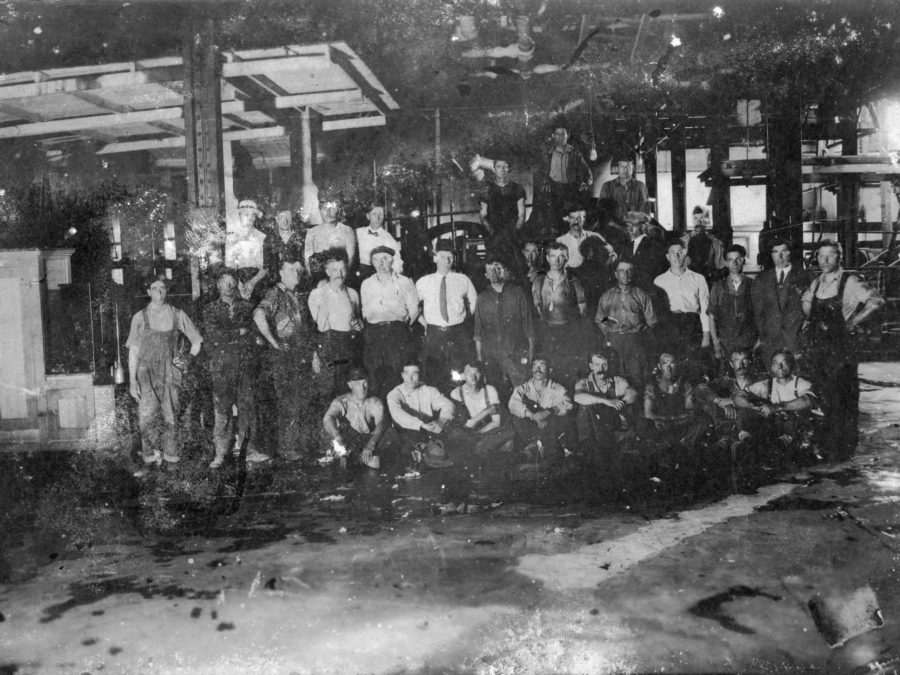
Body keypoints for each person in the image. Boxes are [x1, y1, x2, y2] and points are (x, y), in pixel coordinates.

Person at [801, 240, 885, 459]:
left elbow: (876, 301)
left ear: (839, 257)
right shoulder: (817, 282)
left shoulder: (850, 281)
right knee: (823, 398)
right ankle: (826, 447)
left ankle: (843, 449)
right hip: (819, 350)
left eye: (830, 256)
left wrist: (852, 322)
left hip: (842, 350)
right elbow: (806, 305)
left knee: (842, 399)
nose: (825, 260)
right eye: (821, 256)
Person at [127, 275, 203, 467]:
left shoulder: (177, 314)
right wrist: (132, 381)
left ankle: (171, 457)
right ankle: (150, 457)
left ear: (167, 291)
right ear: (148, 292)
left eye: (163, 288)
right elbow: (134, 351)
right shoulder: (139, 317)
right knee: (146, 417)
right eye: (155, 288)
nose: (159, 293)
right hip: (146, 374)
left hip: (170, 372)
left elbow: (197, 341)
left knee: (171, 415)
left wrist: (187, 359)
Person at [254, 259, 320, 461]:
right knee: (288, 402)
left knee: (300, 400)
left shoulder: (297, 295)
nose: (297, 274)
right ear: (281, 272)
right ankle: (287, 448)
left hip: (300, 354)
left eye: (299, 270)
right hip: (285, 356)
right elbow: (258, 314)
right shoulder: (276, 293)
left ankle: (297, 445)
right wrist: (274, 342)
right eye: (292, 270)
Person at [203, 268, 269, 468]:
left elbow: (255, 335)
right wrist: (238, 332)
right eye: (225, 283)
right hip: (222, 367)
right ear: (218, 286)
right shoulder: (210, 309)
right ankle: (220, 453)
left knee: (247, 408)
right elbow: (214, 336)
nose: (230, 287)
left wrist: (251, 338)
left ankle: (249, 450)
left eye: (233, 283)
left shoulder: (247, 307)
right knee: (222, 411)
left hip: (244, 364)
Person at [733, 350, 817, 463]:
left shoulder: (801, 383)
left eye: (784, 363)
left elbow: (806, 401)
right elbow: (737, 396)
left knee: (793, 418)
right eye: (776, 363)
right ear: (772, 367)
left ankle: (779, 449)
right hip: (777, 426)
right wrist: (752, 406)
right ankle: (749, 443)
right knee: (744, 412)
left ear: (792, 365)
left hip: (799, 428)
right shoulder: (767, 384)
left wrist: (777, 407)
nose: (780, 367)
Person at [360, 244, 420, 397]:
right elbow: (364, 311)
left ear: (392, 260)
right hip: (374, 334)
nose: (381, 263)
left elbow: (414, 309)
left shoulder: (405, 282)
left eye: (385, 258)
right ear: (372, 262)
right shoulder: (366, 284)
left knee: (397, 371)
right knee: (375, 373)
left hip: (397, 332)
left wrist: (403, 327)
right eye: (376, 259)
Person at [415, 242, 478, 388]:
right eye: (442, 256)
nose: (447, 260)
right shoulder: (424, 282)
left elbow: (474, 303)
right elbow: (414, 306)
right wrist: (425, 324)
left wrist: (463, 321)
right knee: (433, 373)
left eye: (450, 257)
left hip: (458, 332)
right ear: (435, 258)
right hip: (434, 332)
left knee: (458, 373)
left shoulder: (463, 280)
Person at [473, 254, 535, 400]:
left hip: (516, 351)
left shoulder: (518, 293)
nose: (494, 273)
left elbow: (529, 324)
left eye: (498, 269)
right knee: (497, 393)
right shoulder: (482, 298)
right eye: (490, 270)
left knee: (523, 392)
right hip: (493, 354)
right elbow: (478, 331)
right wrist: (480, 358)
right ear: (485, 275)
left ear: (505, 271)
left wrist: (531, 350)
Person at [574, 351, 638, 478]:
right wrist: (606, 401)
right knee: (586, 407)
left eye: (605, 365)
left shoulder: (616, 381)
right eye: (597, 365)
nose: (601, 369)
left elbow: (633, 394)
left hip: (613, 431)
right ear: (591, 366)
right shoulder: (584, 383)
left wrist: (619, 404)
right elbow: (578, 397)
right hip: (593, 436)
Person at [308, 248, 363, 396]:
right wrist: (314, 356)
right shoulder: (317, 294)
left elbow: (357, 322)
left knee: (347, 393)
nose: (339, 274)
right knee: (328, 394)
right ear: (327, 272)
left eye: (342, 269)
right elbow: (311, 329)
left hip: (348, 348)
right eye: (334, 270)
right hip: (327, 349)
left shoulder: (353, 294)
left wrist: (359, 325)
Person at [322, 367, 399, 470]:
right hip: (347, 440)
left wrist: (371, 444)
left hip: (367, 439)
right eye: (357, 384)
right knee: (327, 436)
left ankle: (362, 460)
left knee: (390, 434)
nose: (362, 388)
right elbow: (328, 418)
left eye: (365, 383)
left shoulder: (374, 402)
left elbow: (381, 423)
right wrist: (337, 437)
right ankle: (347, 458)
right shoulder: (341, 401)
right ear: (350, 385)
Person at [531, 241, 587, 384]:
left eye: (561, 256)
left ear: (566, 258)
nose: (556, 260)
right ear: (547, 258)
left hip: (568, 332)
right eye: (553, 256)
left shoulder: (574, 281)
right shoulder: (539, 281)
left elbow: (582, 310)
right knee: (549, 370)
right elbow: (538, 308)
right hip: (547, 333)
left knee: (568, 370)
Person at [596, 259, 657, 386]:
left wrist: (638, 337)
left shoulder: (641, 295)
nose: (626, 274)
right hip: (613, 341)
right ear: (616, 274)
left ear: (634, 273)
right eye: (622, 271)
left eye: (629, 271)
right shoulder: (606, 296)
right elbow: (599, 320)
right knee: (612, 376)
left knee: (636, 377)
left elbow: (651, 321)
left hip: (635, 341)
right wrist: (610, 334)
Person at [751, 238, 810, 367]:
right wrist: (763, 337)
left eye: (784, 251)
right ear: (771, 255)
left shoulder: (806, 277)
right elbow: (757, 313)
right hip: (771, 343)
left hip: (796, 342)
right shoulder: (761, 279)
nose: (780, 256)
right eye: (775, 252)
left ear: (790, 253)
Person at [386, 361, 457, 465]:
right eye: (407, 373)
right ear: (402, 375)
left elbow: (449, 405)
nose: (410, 378)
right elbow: (398, 414)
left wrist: (442, 420)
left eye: (415, 373)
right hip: (404, 435)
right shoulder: (394, 394)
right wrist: (421, 425)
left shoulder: (428, 390)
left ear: (420, 375)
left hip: (427, 433)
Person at [508, 357, 575, 460]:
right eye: (535, 365)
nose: (537, 368)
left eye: (542, 365)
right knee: (516, 418)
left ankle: (542, 447)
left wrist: (548, 412)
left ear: (550, 370)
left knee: (564, 419)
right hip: (530, 429)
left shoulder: (558, 388)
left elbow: (567, 403)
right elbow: (513, 404)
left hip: (550, 427)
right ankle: (535, 446)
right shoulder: (523, 389)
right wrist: (533, 416)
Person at [653, 239, 711, 357]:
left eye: (680, 252)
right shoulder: (659, 281)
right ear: (668, 257)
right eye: (673, 252)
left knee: (693, 361)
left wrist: (706, 336)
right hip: (671, 325)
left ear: (686, 254)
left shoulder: (698, 278)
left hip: (693, 324)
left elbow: (705, 309)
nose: (677, 256)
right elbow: (657, 311)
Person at [640, 353, 706, 452]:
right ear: (659, 366)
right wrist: (668, 419)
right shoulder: (652, 386)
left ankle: (683, 448)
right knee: (644, 425)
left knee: (701, 423)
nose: (669, 368)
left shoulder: (684, 385)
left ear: (677, 365)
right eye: (665, 364)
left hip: (681, 427)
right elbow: (648, 414)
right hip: (661, 428)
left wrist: (674, 420)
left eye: (672, 364)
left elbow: (690, 412)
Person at [449, 360, 516, 455]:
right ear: (463, 376)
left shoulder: (490, 390)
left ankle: (481, 447)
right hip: (466, 433)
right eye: (469, 373)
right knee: (455, 434)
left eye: (476, 372)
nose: (473, 377)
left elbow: (496, 423)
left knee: (509, 430)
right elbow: (465, 426)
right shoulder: (456, 394)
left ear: (481, 374)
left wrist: (479, 434)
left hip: (486, 431)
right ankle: (483, 447)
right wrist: (485, 412)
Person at [692, 347, 756, 445]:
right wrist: (720, 401)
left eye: (745, 360)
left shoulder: (760, 381)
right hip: (727, 427)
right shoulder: (725, 383)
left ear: (751, 362)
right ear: (731, 364)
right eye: (737, 360)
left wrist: (732, 402)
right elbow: (700, 389)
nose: (741, 364)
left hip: (751, 428)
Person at [536, 125, 592, 233]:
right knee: (552, 213)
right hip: (554, 187)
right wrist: (544, 182)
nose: (560, 137)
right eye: (557, 134)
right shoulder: (547, 153)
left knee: (576, 212)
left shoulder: (575, 153)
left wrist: (586, 182)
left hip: (571, 187)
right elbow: (541, 170)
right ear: (553, 136)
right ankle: (553, 231)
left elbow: (586, 170)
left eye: (563, 134)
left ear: (568, 135)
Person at [708, 244, 757, 363]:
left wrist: (758, 342)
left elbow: (761, 315)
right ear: (726, 263)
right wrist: (716, 343)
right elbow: (711, 317)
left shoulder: (754, 285)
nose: (734, 264)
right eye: (730, 260)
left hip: (748, 342)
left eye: (738, 259)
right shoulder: (718, 287)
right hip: (725, 343)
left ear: (743, 260)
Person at [479, 158, 526, 255]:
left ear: (509, 169)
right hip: (493, 231)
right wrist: (492, 232)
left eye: (505, 167)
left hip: (512, 231)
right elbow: (483, 216)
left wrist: (515, 232)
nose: (502, 170)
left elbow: (522, 215)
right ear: (494, 169)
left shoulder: (517, 188)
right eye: (499, 167)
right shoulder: (486, 189)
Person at [224, 199, 268, 301]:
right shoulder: (231, 239)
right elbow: (230, 267)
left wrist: (253, 282)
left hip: (258, 279)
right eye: (246, 214)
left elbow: (266, 267)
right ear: (239, 216)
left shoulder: (262, 237)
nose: (250, 218)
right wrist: (240, 288)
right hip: (238, 281)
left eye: (253, 215)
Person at [555, 203, 616, 270]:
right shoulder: (560, 241)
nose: (576, 221)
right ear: (568, 219)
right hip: (570, 276)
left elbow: (613, 254)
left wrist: (603, 267)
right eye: (572, 218)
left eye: (579, 218)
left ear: (583, 219)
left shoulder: (594, 236)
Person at [304, 200, 357, 275]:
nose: (329, 212)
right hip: (319, 277)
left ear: (338, 210)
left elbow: (350, 258)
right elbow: (307, 260)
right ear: (320, 211)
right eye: (325, 208)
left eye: (333, 208)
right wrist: (315, 279)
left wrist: (341, 277)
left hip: (341, 275)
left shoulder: (347, 230)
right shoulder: (312, 232)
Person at [356, 201, 402, 280]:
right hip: (358, 274)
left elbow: (397, 262)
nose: (378, 218)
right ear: (368, 216)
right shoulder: (358, 232)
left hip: (378, 275)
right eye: (374, 214)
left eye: (380, 214)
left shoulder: (388, 238)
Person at [622, 211, 666, 290]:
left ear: (642, 227)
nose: (629, 229)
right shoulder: (628, 246)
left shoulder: (653, 246)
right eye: (628, 226)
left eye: (633, 226)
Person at [263, 204, 305, 285]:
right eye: (282, 217)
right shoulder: (270, 239)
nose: (285, 221)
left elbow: (304, 264)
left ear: (292, 218)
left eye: (288, 217)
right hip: (276, 283)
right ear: (276, 218)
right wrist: (276, 282)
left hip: (296, 281)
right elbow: (266, 267)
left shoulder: (300, 238)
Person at [687, 206, 725, 284]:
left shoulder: (716, 243)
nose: (698, 222)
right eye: (695, 218)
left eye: (701, 218)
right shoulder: (684, 241)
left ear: (707, 221)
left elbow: (720, 266)